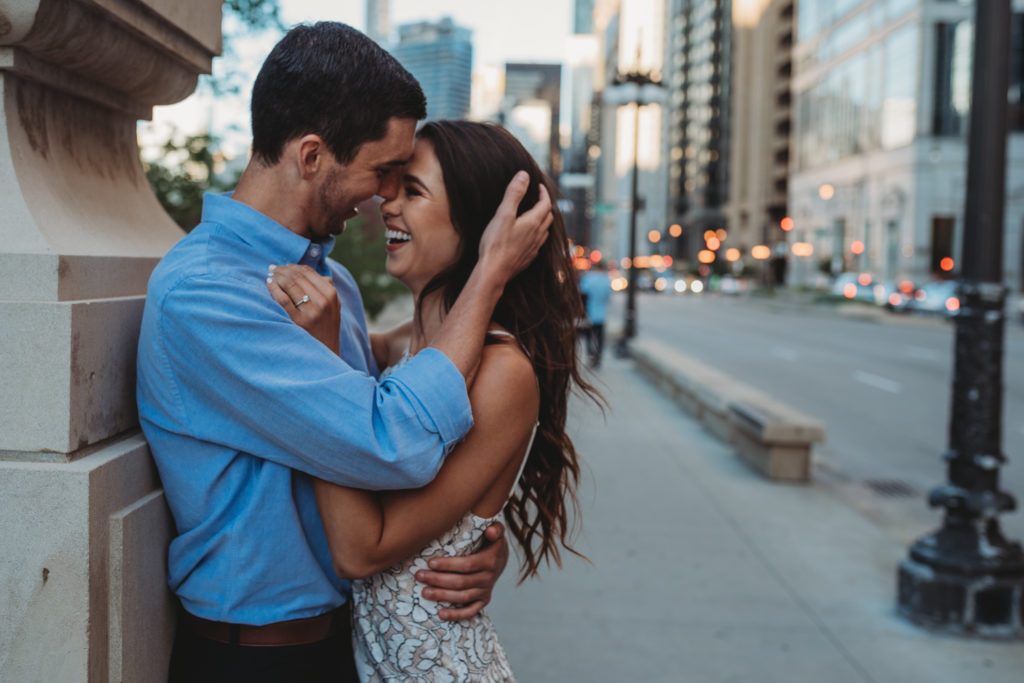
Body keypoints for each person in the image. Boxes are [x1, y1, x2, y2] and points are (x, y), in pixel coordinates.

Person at [136, 23, 551, 683]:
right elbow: (388, 438)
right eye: (384, 171)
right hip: (256, 657)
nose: (382, 196)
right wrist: (490, 272)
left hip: (341, 645)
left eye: (405, 182)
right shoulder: (209, 292)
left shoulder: (331, 286)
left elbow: (405, 395)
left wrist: (473, 530)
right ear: (310, 156)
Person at [267, 121, 602, 681]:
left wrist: (319, 363)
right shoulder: (399, 342)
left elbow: (361, 550)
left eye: (413, 191)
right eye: (390, 185)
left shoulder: (503, 373)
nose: (386, 203)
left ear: (479, 228)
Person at [579, 260, 613, 367]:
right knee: (600, 336)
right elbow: (607, 297)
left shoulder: (587, 279)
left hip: (589, 312)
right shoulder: (605, 280)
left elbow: (582, 294)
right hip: (601, 313)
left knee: (589, 336)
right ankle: (598, 356)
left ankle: (591, 355)